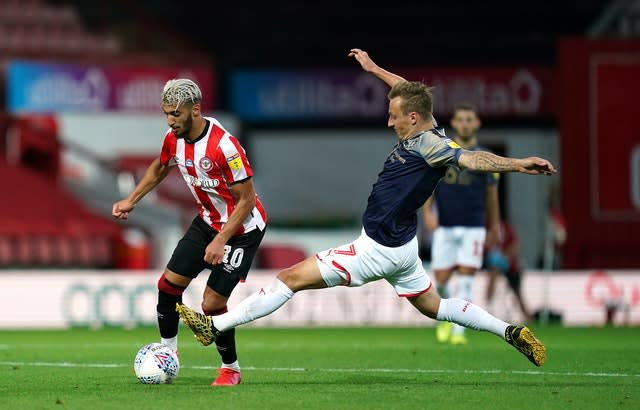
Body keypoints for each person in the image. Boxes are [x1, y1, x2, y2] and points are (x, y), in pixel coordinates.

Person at [176, 49, 553, 371]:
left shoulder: (433, 147)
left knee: (289, 278)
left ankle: (217, 326)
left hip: (376, 249)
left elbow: (472, 159)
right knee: (434, 306)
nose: (389, 121)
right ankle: (509, 330)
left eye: (395, 116)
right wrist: (375, 70)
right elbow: (406, 89)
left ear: (414, 119)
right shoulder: (428, 126)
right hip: (404, 249)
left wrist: (518, 164)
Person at [112, 78, 267, 386]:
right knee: (168, 286)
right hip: (207, 221)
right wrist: (132, 200)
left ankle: (231, 369)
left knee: (210, 304)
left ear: (195, 110)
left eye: (175, 114)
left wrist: (221, 240)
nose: (170, 121)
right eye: (166, 114)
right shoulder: (174, 138)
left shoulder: (224, 146)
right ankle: (168, 354)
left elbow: (247, 200)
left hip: (242, 228)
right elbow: (160, 166)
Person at [422, 103, 500, 345]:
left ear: (476, 123)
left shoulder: (484, 156)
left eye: (470, 119)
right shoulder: (442, 151)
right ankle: (446, 317)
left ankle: (458, 332)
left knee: (467, 277)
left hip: (474, 225)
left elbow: (491, 194)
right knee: (442, 281)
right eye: (461, 119)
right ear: (454, 123)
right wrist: (427, 213)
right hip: (445, 224)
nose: (465, 123)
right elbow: (428, 186)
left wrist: (494, 226)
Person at [484, 219, 531, 322]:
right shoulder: (487, 227)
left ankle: (529, 317)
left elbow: (515, 246)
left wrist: (503, 256)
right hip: (494, 263)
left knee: (517, 292)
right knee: (494, 271)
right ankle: (488, 306)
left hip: (510, 265)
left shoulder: (507, 228)